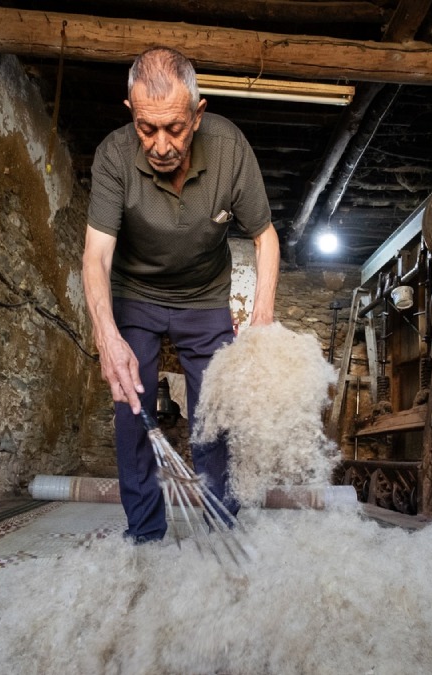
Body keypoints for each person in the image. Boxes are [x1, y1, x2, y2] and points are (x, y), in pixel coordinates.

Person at [81, 47, 280, 543]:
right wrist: (107, 337)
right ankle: (145, 532)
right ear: (131, 113)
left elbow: (266, 237)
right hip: (135, 292)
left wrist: (261, 317)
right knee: (133, 406)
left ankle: (222, 525)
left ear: (198, 112)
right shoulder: (112, 155)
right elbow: (96, 257)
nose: (162, 144)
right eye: (147, 129)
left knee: (214, 411)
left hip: (205, 294)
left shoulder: (231, 149)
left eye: (175, 127)